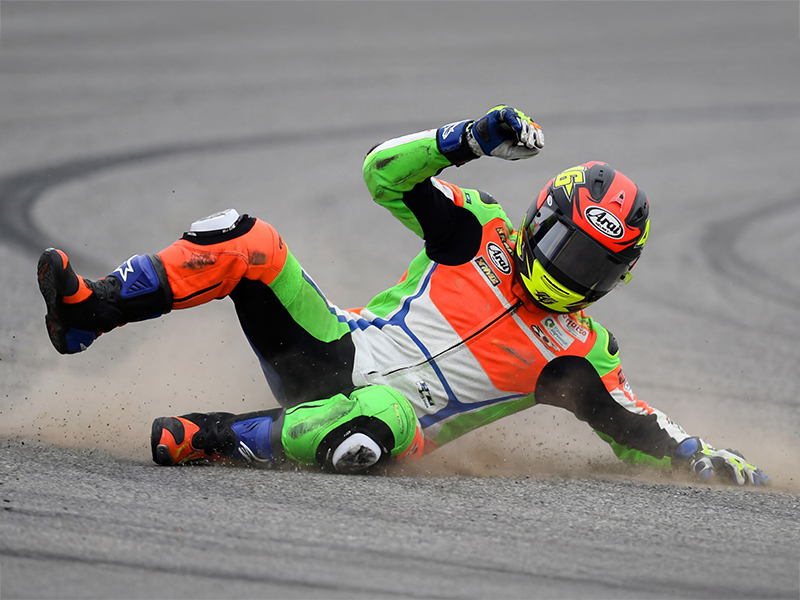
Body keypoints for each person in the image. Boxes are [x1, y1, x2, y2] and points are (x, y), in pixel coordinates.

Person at [36, 105, 768, 484]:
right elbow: (382, 172)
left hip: (391, 426)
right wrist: (468, 138)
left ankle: (215, 436)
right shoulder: (476, 231)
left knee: (377, 416)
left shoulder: (579, 355)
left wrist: (706, 458)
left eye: (594, 267)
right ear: (536, 220)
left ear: (617, 279)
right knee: (242, 235)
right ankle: (86, 313)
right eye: (563, 248)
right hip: (334, 347)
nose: (571, 273)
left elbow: (641, 432)